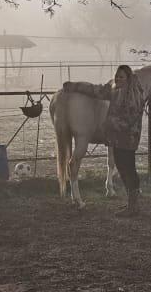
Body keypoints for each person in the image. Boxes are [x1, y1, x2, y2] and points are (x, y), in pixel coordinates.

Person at [62, 64, 146, 216]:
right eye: (117, 76)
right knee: (122, 168)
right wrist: (75, 86)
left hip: (128, 138)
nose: (118, 79)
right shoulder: (115, 91)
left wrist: (109, 124)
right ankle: (131, 204)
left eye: (122, 77)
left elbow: (130, 120)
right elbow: (95, 89)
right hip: (117, 138)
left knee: (129, 169)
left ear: (128, 79)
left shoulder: (134, 96)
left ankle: (134, 206)